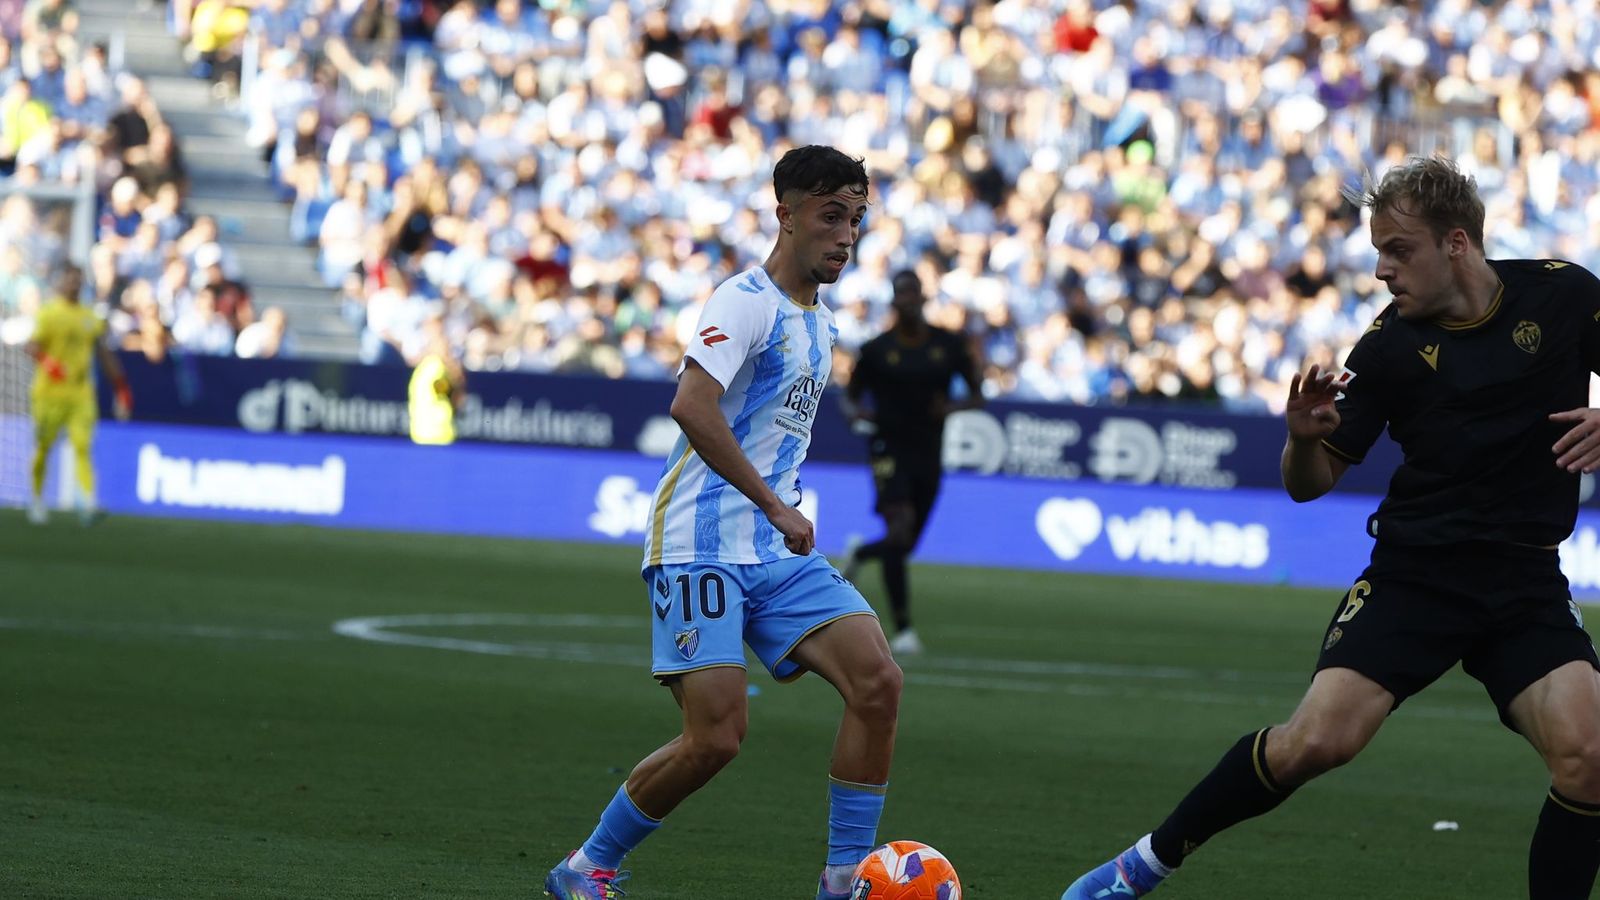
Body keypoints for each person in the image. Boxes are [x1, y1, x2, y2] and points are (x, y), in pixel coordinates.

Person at [1063, 156, 1600, 899]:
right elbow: (1307, 485)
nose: (1381, 270)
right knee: (1315, 743)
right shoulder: (1386, 349)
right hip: (1417, 577)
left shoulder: (1564, 294)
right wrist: (1303, 438)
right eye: (1377, 252)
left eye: (1397, 250)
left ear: (1456, 243)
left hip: (1524, 581)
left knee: (1590, 756)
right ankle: (1142, 864)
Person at [544, 146, 902, 900]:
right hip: (697, 544)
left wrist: (776, 509)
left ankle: (844, 880)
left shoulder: (822, 325)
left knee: (877, 681)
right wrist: (774, 503)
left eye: (856, 219)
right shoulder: (743, 301)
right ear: (786, 215)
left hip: (772, 550)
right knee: (716, 737)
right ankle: (585, 868)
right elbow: (691, 405)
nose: (846, 235)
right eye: (830, 216)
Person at [839, 269, 983, 655]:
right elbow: (849, 397)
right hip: (887, 448)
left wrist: (950, 407)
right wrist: (856, 414)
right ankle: (902, 629)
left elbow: (978, 395)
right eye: (900, 295)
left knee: (905, 543)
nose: (907, 302)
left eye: (912, 294)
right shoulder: (876, 350)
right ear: (893, 302)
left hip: (928, 451)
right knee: (900, 529)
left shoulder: (949, 345)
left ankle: (862, 553)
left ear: (923, 298)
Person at [27, 263, 130, 525]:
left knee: (83, 447)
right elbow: (32, 346)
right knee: (43, 448)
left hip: (81, 394)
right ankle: (37, 500)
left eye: (78, 280)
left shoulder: (89, 317)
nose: (74, 284)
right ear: (61, 282)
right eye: (70, 279)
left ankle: (89, 503)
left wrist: (121, 387)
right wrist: (50, 365)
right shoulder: (49, 313)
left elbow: (103, 353)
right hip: (49, 394)